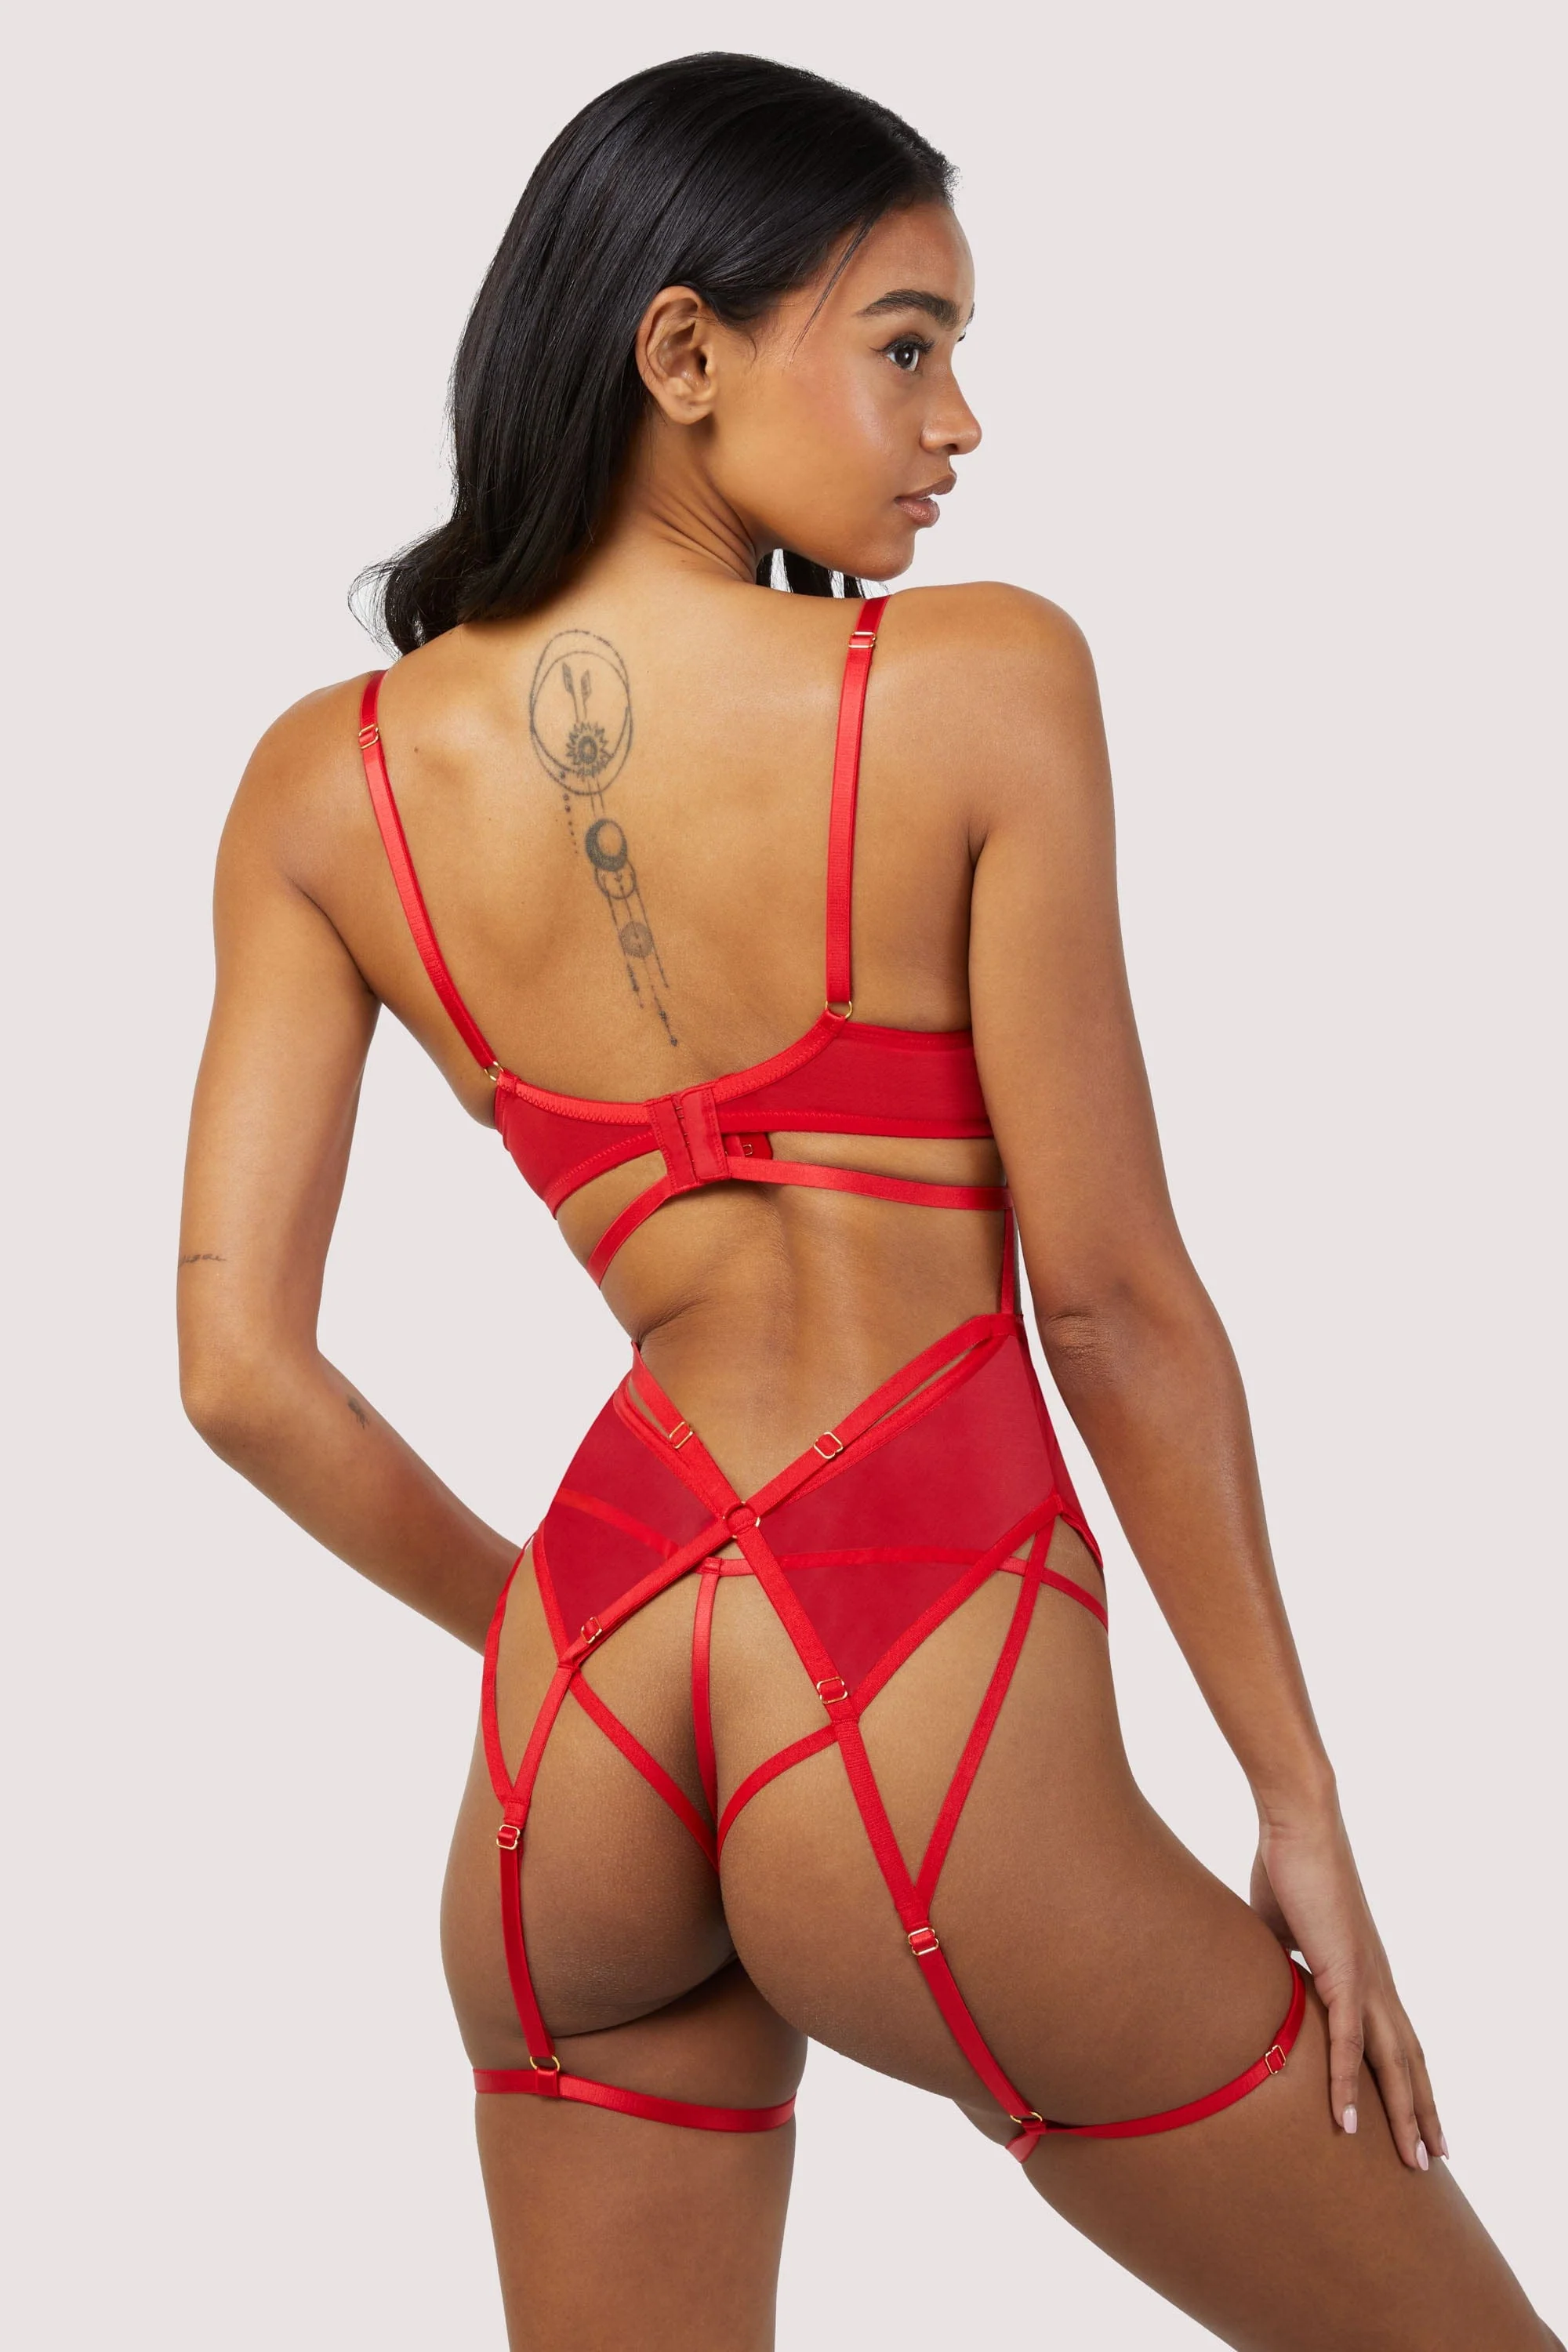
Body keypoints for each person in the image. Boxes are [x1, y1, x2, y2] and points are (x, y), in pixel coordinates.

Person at [176, 51, 1559, 2352]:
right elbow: (1107, 1307)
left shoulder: (322, 786)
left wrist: (564, 1640)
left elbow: (239, 1376)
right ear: (683, 352)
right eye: (909, 344)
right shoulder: (982, 682)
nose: (960, 422)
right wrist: (1298, 1804)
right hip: (923, 1663)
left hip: (581, 1716)